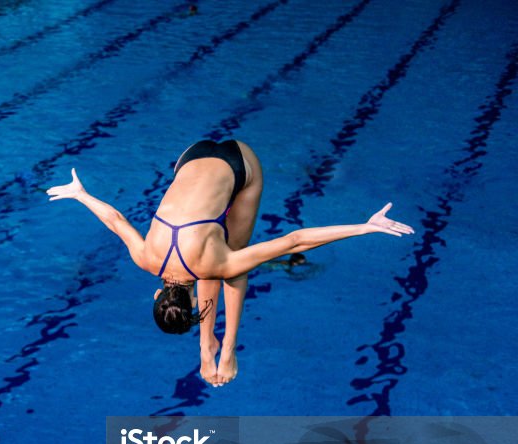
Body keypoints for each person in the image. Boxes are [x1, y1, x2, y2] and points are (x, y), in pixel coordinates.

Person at [46, 139, 413, 386]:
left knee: (234, 261)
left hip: (240, 165)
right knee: (224, 262)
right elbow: (116, 221)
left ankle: (222, 347)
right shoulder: (145, 259)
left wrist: (366, 228)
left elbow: (294, 242)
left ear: (193, 304)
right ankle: (209, 346)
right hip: (190, 156)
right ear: (156, 293)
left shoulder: (217, 266)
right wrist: (81, 194)